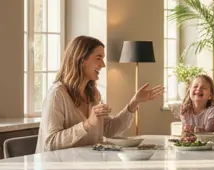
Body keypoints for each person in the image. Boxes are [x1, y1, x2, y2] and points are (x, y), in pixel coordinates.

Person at [36, 36, 164, 152]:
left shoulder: (93, 94)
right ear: (81, 60)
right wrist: (87, 124)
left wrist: (133, 103)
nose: (103, 65)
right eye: (98, 58)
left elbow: (108, 130)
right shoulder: (57, 94)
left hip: (87, 167)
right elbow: (51, 142)